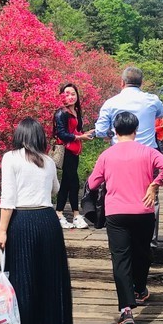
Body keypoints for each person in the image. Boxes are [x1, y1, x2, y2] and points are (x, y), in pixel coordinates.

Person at [87, 111, 163, 324]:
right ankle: (140, 289)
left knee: (121, 259)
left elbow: (92, 183)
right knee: (142, 253)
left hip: (116, 214)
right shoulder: (147, 152)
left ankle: (126, 309)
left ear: (115, 131)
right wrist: (155, 184)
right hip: (144, 211)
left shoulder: (107, 155)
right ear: (136, 130)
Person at [0, 117, 73, 324]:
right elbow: (56, 190)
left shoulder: (11, 158)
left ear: (19, 136)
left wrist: (2, 231)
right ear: (39, 138)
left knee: (21, 279)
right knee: (49, 279)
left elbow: (8, 199)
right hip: (48, 222)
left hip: (22, 221)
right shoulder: (48, 161)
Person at [94, 66, 163, 245]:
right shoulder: (152, 100)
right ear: (141, 83)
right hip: (149, 156)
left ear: (122, 82)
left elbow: (101, 131)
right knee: (151, 195)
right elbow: (161, 113)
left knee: (119, 193)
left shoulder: (111, 103)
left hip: (118, 156)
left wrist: (112, 133)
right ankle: (150, 239)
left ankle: (121, 235)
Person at [53, 83, 94, 230]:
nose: (70, 97)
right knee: (72, 183)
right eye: (66, 94)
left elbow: (76, 131)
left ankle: (63, 213)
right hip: (66, 151)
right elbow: (61, 134)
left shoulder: (75, 111)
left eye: (73, 94)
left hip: (74, 151)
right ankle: (72, 214)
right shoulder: (61, 113)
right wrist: (80, 137)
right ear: (61, 96)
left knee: (68, 182)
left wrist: (86, 134)